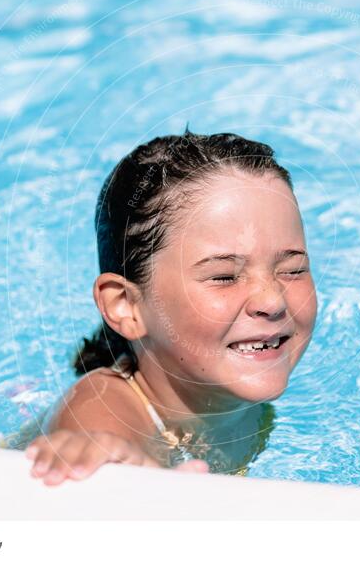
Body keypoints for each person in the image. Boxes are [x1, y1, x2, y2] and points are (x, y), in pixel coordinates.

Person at [25, 130, 318, 485]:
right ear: (126, 306)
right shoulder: (102, 408)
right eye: (224, 276)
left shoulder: (233, 391)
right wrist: (111, 469)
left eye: (293, 270)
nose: (272, 300)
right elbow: (91, 444)